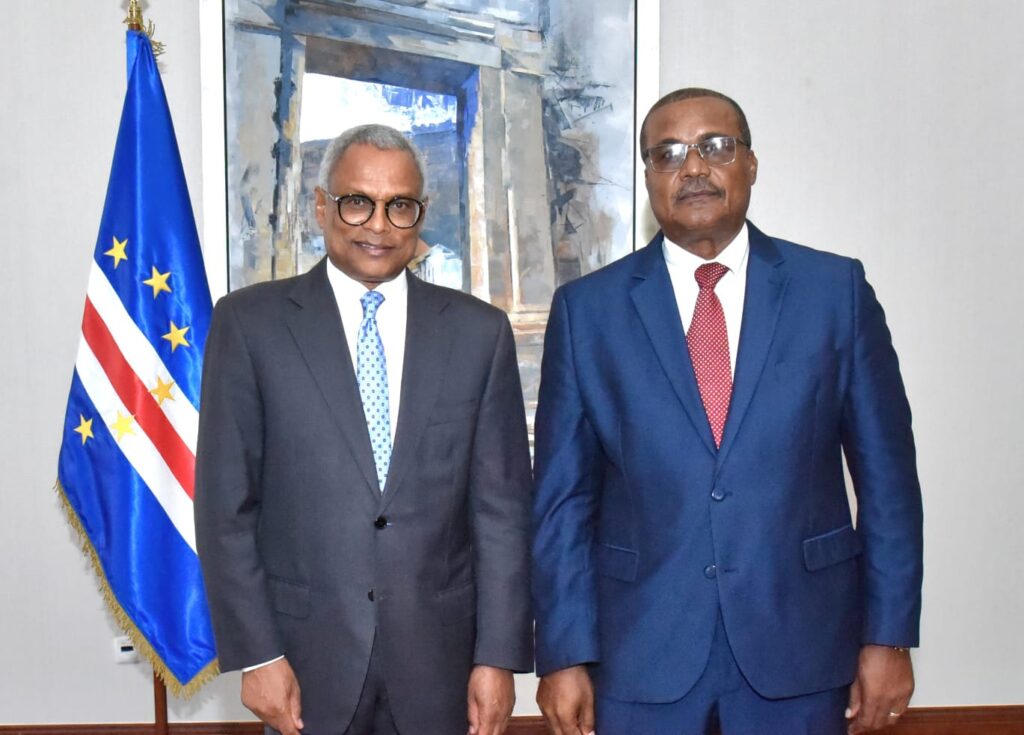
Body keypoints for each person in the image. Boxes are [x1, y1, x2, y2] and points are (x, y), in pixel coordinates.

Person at [531, 88, 923, 734]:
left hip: (801, 648)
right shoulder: (587, 312)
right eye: (668, 154)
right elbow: (562, 500)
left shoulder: (835, 292)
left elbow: (889, 482)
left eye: (715, 147)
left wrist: (889, 635)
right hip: (639, 655)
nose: (693, 167)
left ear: (751, 163)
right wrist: (564, 651)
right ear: (649, 177)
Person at [195, 124, 533, 735]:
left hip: (443, 665)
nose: (378, 225)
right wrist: (258, 654)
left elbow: (501, 512)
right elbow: (226, 508)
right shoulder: (249, 325)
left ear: (420, 213)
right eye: (358, 202)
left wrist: (499, 656)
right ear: (321, 206)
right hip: (303, 664)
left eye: (399, 206)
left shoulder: (478, 334)